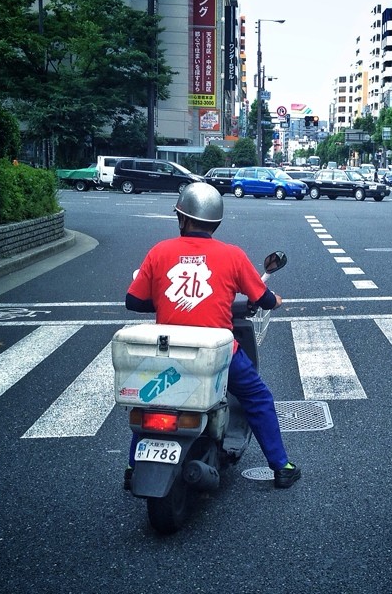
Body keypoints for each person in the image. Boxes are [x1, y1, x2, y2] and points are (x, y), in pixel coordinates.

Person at [124, 182, 301, 489]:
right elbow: (265, 300)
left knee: (155, 400)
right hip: (216, 353)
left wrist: (165, 299)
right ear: (216, 223)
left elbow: (133, 301)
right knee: (258, 398)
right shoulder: (232, 255)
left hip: (169, 351)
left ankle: (132, 467)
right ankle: (281, 466)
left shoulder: (159, 251)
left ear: (182, 218)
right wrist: (276, 300)